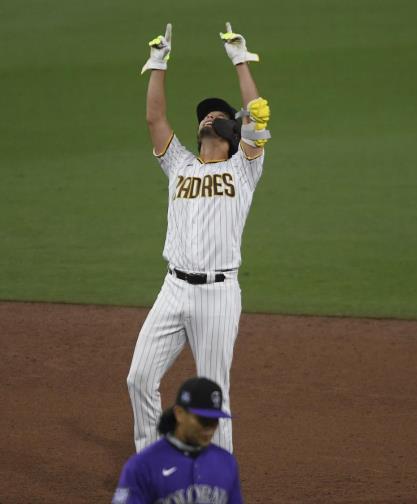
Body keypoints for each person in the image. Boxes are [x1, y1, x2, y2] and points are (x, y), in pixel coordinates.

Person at [126, 21, 271, 454]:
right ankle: (152, 463)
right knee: (139, 378)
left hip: (218, 293)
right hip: (173, 288)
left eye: (218, 114)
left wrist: (240, 60)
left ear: (232, 133)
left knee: (212, 393)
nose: (209, 116)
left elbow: (257, 113)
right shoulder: (180, 165)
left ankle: (215, 481)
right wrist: (158, 63)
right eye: (205, 115)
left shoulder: (243, 168)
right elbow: (154, 118)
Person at [112, 377, 243, 504]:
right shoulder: (142, 466)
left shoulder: (227, 462)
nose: (209, 428)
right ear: (179, 413)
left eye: (214, 421)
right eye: (203, 420)